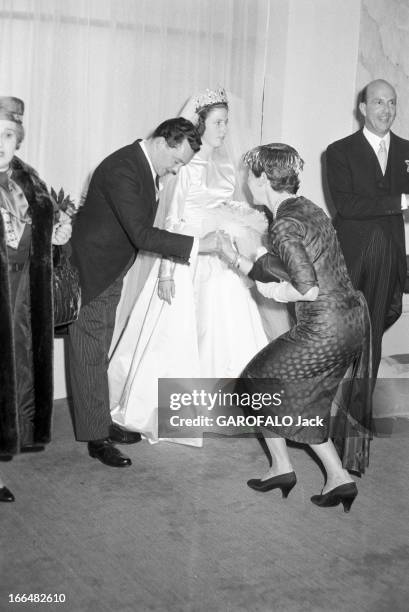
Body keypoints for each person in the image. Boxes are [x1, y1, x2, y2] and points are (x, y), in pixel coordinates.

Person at [108, 88, 286, 443]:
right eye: (218, 122)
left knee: (230, 318)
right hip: (187, 255)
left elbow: (224, 204)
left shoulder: (223, 163)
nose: (224, 129)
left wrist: (236, 215)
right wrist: (166, 271)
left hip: (222, 257)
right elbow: (172, 220)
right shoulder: (184, 163)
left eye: (226, 122)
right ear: (200, 124)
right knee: (180, 332)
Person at [218, 143, 372, 513]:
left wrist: (263, 284)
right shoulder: (308, 209)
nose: (246, 181)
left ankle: (283, 466)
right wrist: (243, 262)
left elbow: (307, 288)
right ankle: (335, 477)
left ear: (263, 178)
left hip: (325, 327)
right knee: (308, 400)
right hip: (351, 322)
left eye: (249, 174)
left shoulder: (285, 224)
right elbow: (298, 267)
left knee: (254, 385)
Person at [67, 117, 207, 468]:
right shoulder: (123, 168)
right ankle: (96, 439)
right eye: (176, 161)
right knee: (88, 354)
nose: (175, 171)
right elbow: (143, 235)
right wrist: (200, 245)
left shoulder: (142, 166)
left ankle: (100, 421)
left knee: (97, 351)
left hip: (108, 270)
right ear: (163, 141)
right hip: (92, 273)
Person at [0, 96, 72, 502]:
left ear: (18, 138)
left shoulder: (30, 182)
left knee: (16, 382)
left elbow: (45, 240)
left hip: (23, 296)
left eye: (7, 135)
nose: (0, 143)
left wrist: (58, 239)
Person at [326, 79, 409, 377]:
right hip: (352, 259)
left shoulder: (407, 151)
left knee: (372, 341)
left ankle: (359, 418)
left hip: (390, 262)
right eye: (378, 102)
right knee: (341, 338)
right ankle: (330, 410)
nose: (386, 110)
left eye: (392, 102)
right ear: (362, 108)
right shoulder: (338, 152)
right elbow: (347, 206)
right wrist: (399, 200)